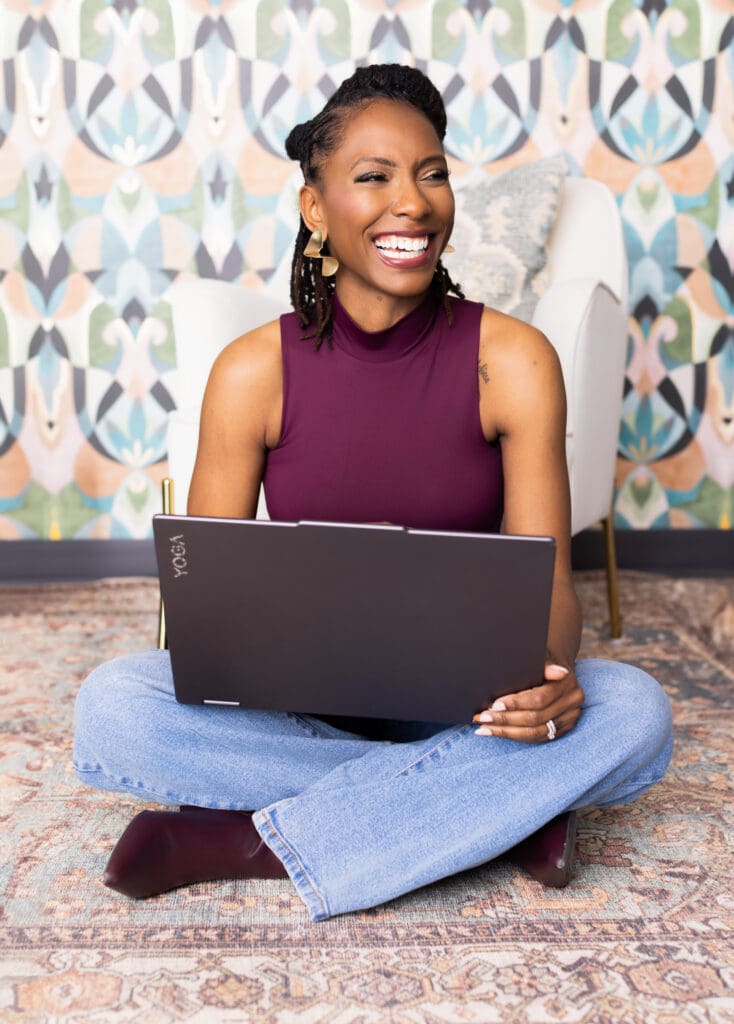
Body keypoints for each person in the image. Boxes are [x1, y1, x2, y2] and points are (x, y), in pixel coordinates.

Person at [73, 64, 673, 922]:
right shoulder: (252, 373)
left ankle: (237, 840)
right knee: (112, 707)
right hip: (300, 710)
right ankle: (495, 818)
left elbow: (549, 586)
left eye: (432, 173)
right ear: (315, 207)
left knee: (634, 712)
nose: (414, 202)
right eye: (374, 177)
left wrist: (547, 680)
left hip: (467, 714)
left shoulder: (513, 361)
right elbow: (208, 612)